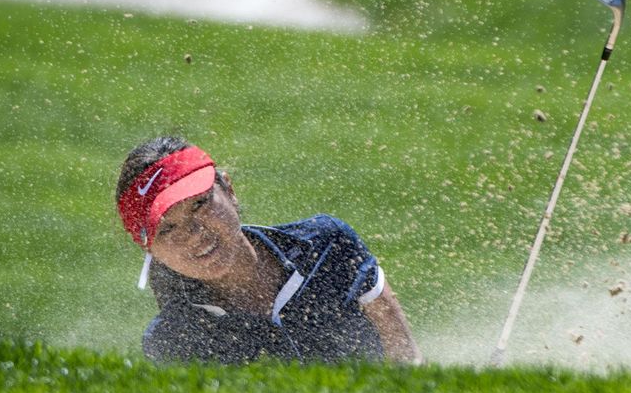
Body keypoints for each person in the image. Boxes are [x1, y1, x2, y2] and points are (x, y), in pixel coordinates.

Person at [115, 137, 422, 366]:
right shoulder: (174, 340)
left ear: (229, 191)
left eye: (200, 204)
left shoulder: (326, 245)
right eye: (168, 229)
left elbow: (405, 357)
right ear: (149, 249)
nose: (195, 233)